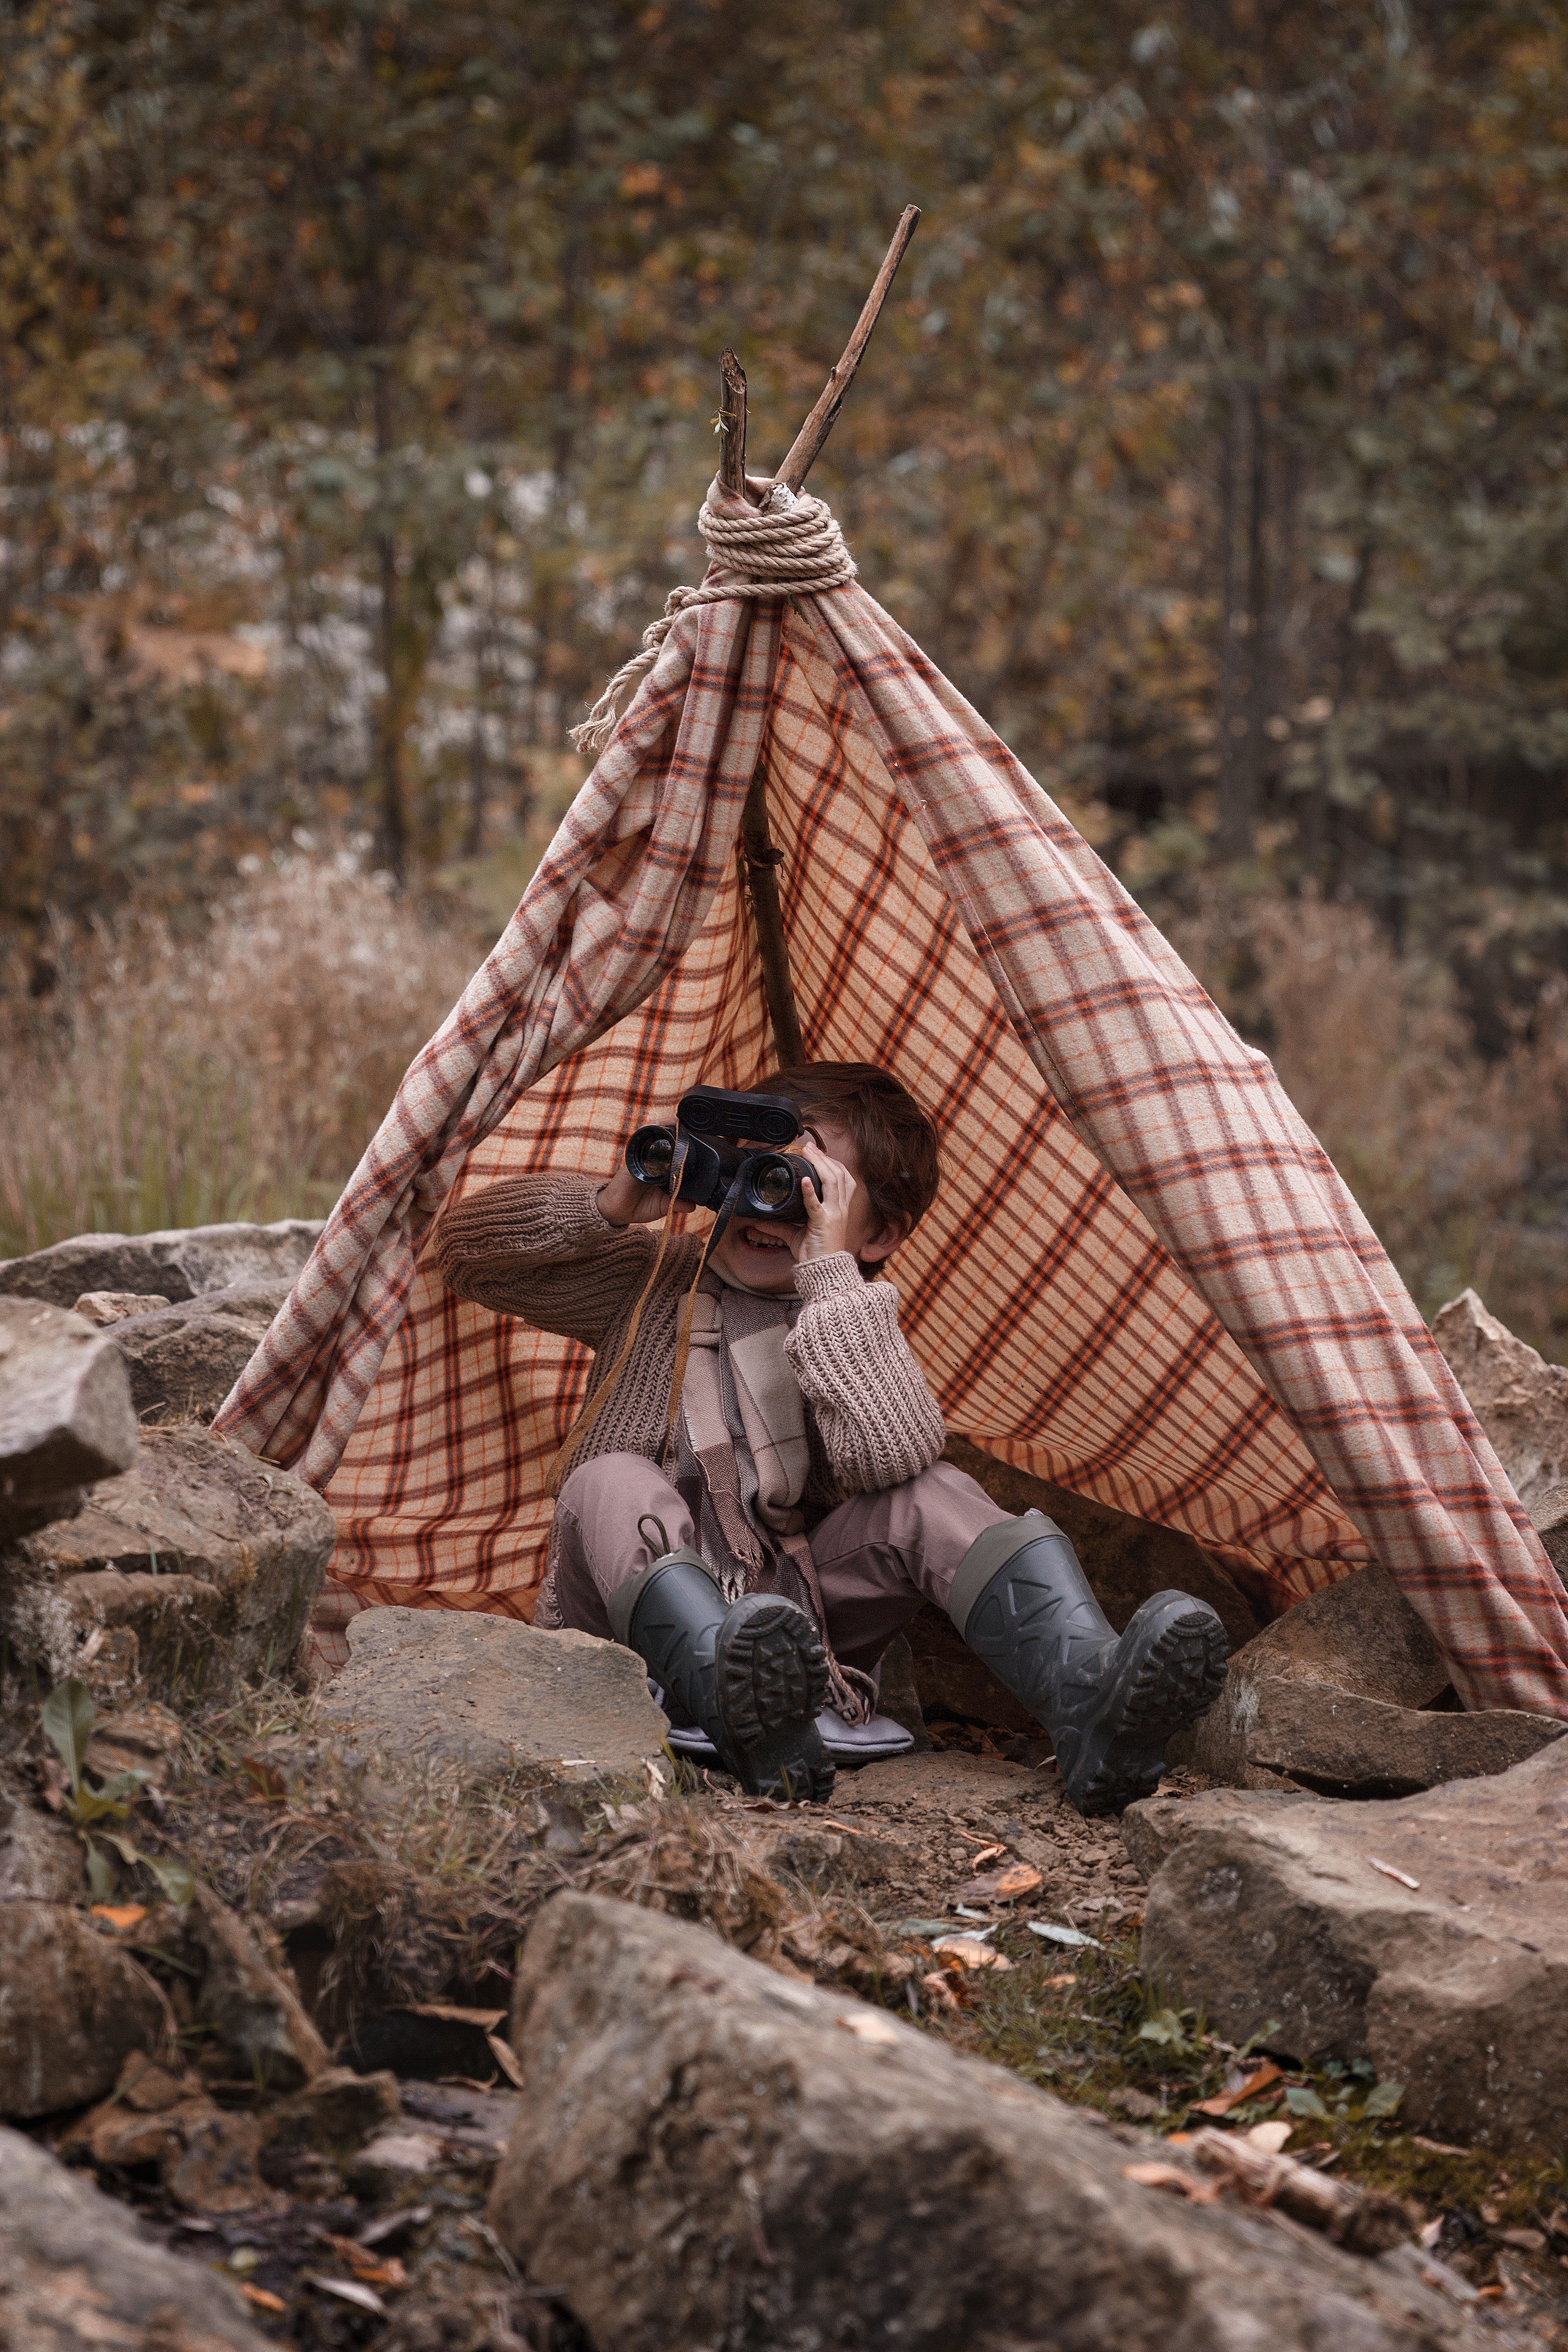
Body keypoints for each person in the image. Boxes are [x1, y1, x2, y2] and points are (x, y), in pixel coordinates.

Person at [432, 1061, 1227, 1812]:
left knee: (932, 1491)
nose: (768, 1203)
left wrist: (831, 1282)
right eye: (762, 1171)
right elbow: (469, 1259)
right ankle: (727, 1699)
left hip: (788, 1643)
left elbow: (894, 1458)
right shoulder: (651, 1279)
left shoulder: (840, 1319)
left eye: (804, 1187)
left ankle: (1090, 1700)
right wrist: (612, 1205)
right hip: (620, 1625)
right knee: (609, 1479)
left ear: (877, 1236)